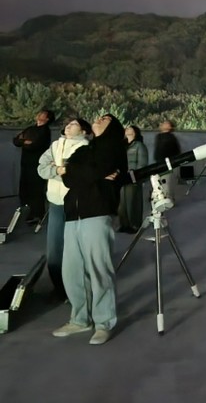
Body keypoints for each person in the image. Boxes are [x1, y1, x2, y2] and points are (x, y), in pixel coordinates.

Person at [52, 114, 127, 345]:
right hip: (72, 216)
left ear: (113, 127)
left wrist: (73, 172)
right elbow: (68, 178)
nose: (99, 119)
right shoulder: (84, 150)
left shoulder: (114, 149)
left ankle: (104, 323)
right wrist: (79, 173)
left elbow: (79, 172)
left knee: (98, 270)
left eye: (105, 119)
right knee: (72, 271)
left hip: (97, 213)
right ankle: (80, 319)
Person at [37, 117, 91, 302]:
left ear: (83, 131)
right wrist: (59, 170)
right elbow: (41, 169)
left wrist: (58, 169)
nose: (69, 126)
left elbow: (78, 175)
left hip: (76, 204)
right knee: (54, 250)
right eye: (68, 123)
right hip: (55, 203)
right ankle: (59, 288)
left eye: (74, 124)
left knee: (74, 249)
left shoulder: (85, 148)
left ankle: (76, 290)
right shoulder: (55, 145)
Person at [13, 109, 54, 223]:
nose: (39, 115)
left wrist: (24, 141)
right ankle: (27, 210)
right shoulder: (30, 129)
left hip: (36, 164)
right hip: (25, 163)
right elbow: (16, 141)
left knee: (36, 189)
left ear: (47, 119)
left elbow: (35, 145)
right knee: (25, 187)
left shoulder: (45, 131)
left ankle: (37, 214)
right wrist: (24, 141)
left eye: (43, 114)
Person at [118, 126, 148, 232]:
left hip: (133, 176)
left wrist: (138, 175)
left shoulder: (139, 145)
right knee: (122, 202)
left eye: (130, 128)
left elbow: (142, 162)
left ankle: (135, 224)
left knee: (133, 201)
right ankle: (124, 224)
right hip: (122, 176)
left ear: (135, 132)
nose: (127, 130)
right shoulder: (122, 145)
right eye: (126, 129)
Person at [153, 120, 181, 204]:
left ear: (170, 127)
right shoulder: (158, 136)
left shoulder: (171, 137)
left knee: (168, 181)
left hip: (169, 163)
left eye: (166, 123)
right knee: (159, 181)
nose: (163, 124)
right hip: (159, 161)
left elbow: (176, 150)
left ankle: (170, 198)